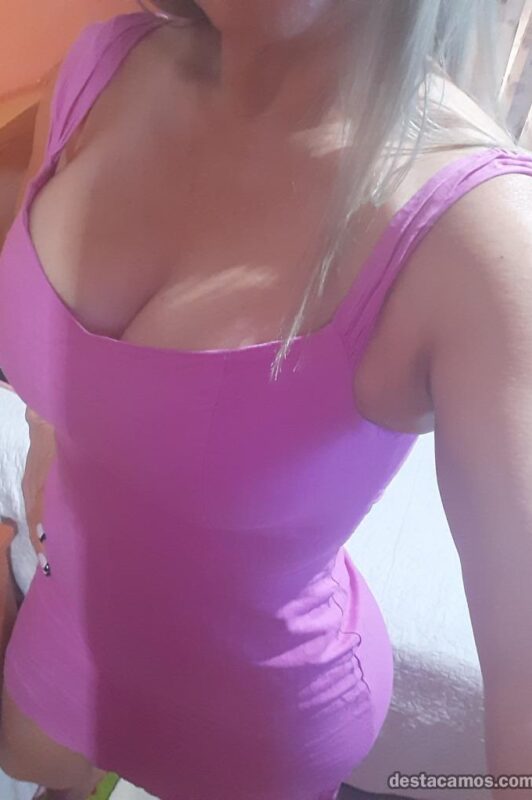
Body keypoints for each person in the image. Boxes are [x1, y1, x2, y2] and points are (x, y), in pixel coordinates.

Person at [0, 1, 531, 798]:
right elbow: (65, 380)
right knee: (36, 771)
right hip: (66, 627)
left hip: (255, 724)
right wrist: (47, 438)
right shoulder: (101, 66)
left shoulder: (482, 237)